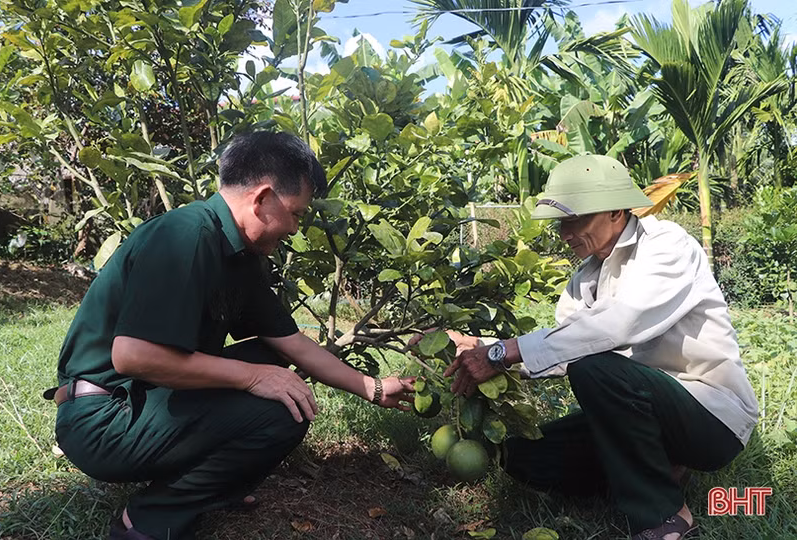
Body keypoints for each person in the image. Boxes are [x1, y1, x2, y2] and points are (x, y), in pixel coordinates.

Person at [45, 131, 415, 540]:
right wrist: (253, 377)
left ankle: (208, 484)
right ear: (262, 198)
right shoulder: (184, 235)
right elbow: (134, 357)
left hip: (141, 402)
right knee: (279, 411)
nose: (294, 228)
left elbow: (291, 343)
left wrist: (375, 388)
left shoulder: (239, 256)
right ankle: (148, 519)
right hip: (103, 420)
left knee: (270, 358)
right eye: (295, 213)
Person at [413, 154, 758, 540]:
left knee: (596, 370)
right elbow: (563, 348)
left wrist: (504, 351)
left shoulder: (666, 246)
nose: (565, 233)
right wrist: (479, 346)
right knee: (523, 456)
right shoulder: (586, 276)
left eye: (575, 220)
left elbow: (620, 324)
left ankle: (664, 515)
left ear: (615, 211)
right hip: (637, 410)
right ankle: (655, 468)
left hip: (708, 416)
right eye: (563, 222)